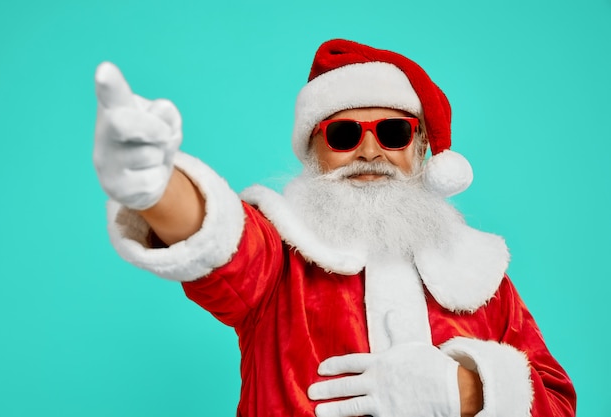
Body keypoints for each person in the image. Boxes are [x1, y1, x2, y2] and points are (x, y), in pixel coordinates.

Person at [93, 39, 577, 417]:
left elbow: (557, 402)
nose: (370, 152)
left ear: (421, 148)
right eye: (344, 135)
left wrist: (464, 390)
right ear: (314, 152)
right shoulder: (280, 253)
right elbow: (220, 240)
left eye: (393, 132)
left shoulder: (478, 272)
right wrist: (155, 185)